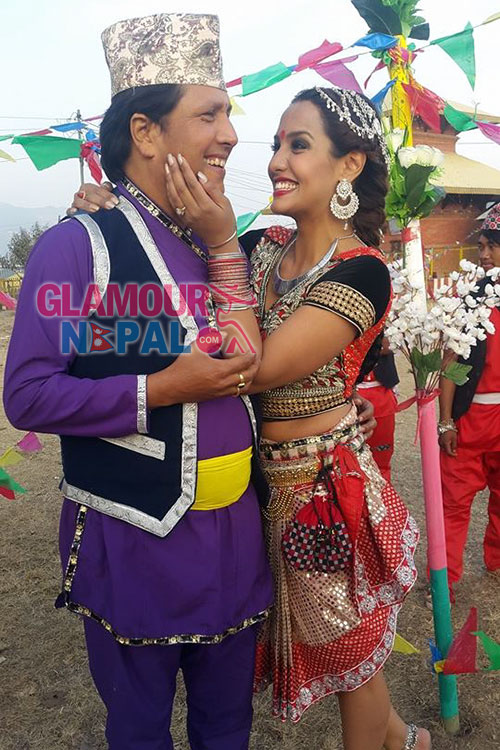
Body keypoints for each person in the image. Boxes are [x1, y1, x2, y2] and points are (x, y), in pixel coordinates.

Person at [109, 85, 427, 749]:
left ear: (349, 165)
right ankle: (406, 741)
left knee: (348, 658)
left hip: (320, 495)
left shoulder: (362, 273)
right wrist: (110, 211)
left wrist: (224, 243)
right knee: (333, 646)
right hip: (253, 490)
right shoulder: (264, 246)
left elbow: (253, 368)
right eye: (278, 143)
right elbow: (173, 252)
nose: (277, 160)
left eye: (298, 145)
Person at [4, 14, 274, 750]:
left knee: (229, 725)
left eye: (228, 114)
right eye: (209, 115)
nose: (229, 134)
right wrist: (160, 388)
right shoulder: (78, 247)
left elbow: (251, 361)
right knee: (140, 728)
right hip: (137, 536)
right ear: (146, 133)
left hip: (236, 534)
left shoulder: (221, 241)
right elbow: (28, 394)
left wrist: (225, 246)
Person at [438, 203, 500, 600]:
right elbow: (449, 364)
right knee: (454, 503)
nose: (485, 254)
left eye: (493, 246)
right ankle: (445, 578)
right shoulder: (469, 301)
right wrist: (446, 419)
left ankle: (496, 561)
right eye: (482, 246)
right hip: (471, 416)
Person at [358, 338, 399, 482]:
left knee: (381, 457)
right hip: (349, 393)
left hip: (382, 394)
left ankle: (383, 492)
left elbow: (391, 344)